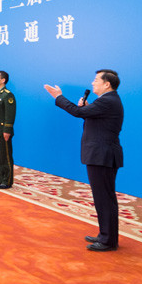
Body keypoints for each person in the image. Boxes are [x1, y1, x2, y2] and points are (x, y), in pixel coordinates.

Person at [44, 70, 125, 252]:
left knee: (104, 199)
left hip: (102, 155)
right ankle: (105, 235)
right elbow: (93, 119)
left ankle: (108, 240)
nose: (93, 83)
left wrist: (59, 97)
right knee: (103, 198)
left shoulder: (107, 100)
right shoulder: (108, 100)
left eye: (96, 80)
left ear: (107, 84)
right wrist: (87, 109)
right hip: (102, 154)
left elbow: (76, 112)